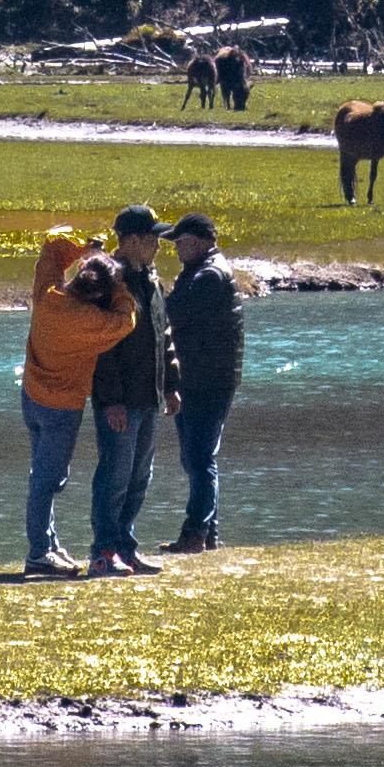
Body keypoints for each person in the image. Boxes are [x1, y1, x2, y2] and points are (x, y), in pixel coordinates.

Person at [14, 224, 136, 579]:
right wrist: (120, 284)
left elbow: (51, 247)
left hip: (32, 396)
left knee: (44, 475)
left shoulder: (48, 296)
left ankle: (48, 545)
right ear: (100, 293)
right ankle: (39, 552)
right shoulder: (88, 320)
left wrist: (85, 246)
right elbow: (126, 319)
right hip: (62, 406)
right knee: (47, 480)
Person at [83, 202, 174, 574]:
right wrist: (111, 400)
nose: (159, 246)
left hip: (148, 395)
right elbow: (100, 347)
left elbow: (163, 335)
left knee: (139, 476)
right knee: (115, 476)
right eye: (153, 239)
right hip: (119, 400)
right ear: (132, 240)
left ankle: (125, 546)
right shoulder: (108, 280)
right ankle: (104, 551)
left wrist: (171, 384)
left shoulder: (150, 279)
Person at [156, 211, 247, 553]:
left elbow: (173, 312)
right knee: (198, 457)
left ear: (205, 242)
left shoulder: (208, 275)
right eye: (177, 243)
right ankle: (206, 532)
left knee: (199, 457)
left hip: (207, 379)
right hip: (205, 375)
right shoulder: (205, 270)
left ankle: (197, 531)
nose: (178, 249)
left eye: (184, 242)